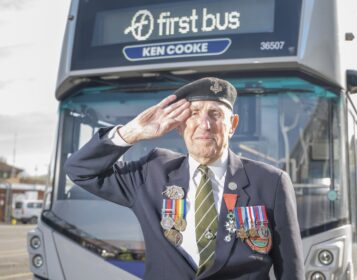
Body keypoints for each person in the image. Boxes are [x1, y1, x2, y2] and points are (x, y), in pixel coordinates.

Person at [65, 77, 304, 280]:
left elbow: (291, 272)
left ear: (232, 125)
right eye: (194, 113)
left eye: (215, 114)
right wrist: (131, 133)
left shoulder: (270, 182)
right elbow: (80, 170)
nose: (204, 124)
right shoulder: (153, 172)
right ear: (180, 125)